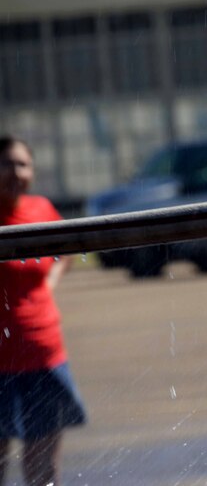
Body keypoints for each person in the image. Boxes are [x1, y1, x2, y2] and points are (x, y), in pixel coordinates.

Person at [0, 135, 86, 486]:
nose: (15, 172)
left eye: (22, 164)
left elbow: (65, 250)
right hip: (1, 361)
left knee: (44, 468)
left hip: (44, 352)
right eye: (6, 164)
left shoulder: (41, 209)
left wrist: (48, 285)